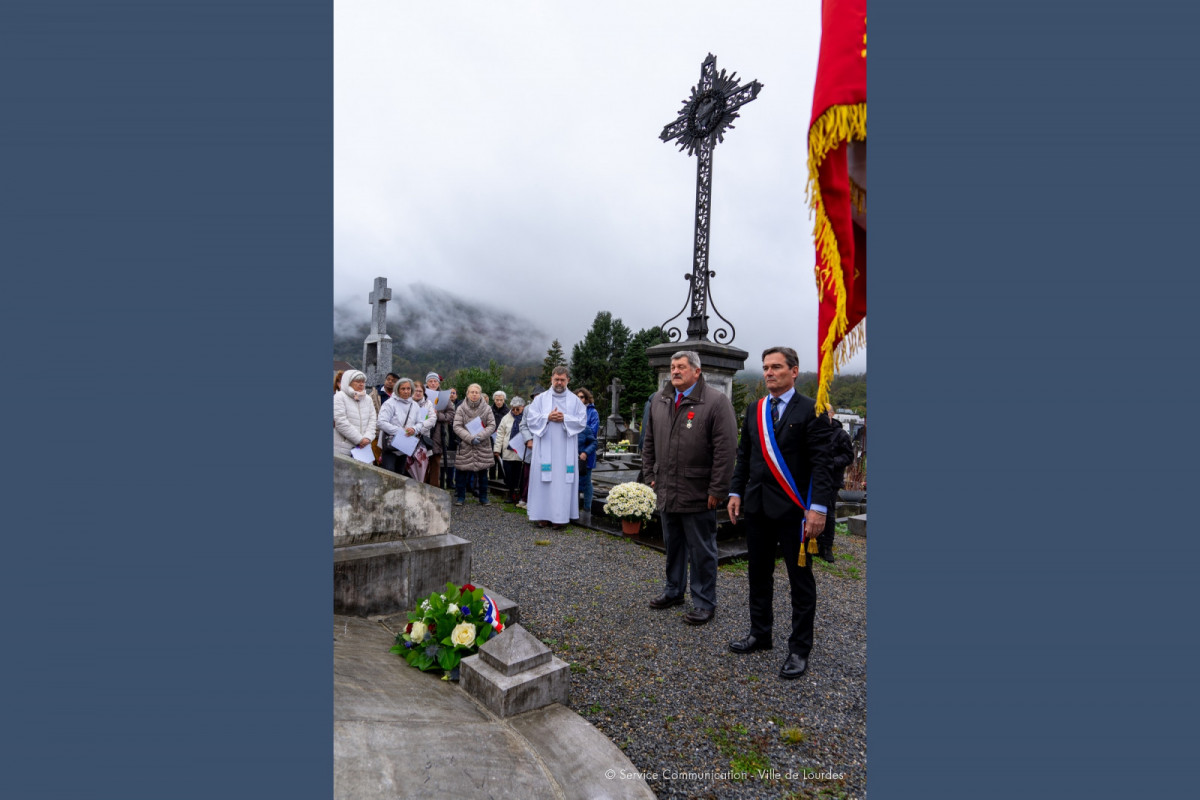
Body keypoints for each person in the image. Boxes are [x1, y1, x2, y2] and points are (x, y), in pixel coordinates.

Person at [727, 347, 834, 680]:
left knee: (800, 582)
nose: (769, 373)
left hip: (795, 512)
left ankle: (799, 649)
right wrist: (735, 491)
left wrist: (818, 509)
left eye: (776, 367)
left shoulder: (811, 411)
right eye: (765, 368)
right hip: (757, 507)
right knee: (758, 574)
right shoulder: (754, 409)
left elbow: (822, 464)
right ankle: (761, 633)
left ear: (794, 371)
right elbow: (744, 455)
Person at [641, 351, 738, 626]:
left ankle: (705, 602)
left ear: (697, 371)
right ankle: (674, 591)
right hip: (667, 488)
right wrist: (650, 474)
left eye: (681, 367)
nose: (675, 371)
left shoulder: (716, 402)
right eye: (673, 367)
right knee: (673, 545)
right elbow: (648, 442)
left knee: (702, 550)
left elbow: (726, 449)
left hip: (698, 491)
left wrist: (718, 489)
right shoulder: (660, 400)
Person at [525, 367, 587, 530]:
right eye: (556, 379)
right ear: (551, 379)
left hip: (565, 449)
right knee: (543, 480)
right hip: (544, 447)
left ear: (568, 380)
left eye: (562, 379)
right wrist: (547, 417)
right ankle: (542, 516)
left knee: (561, 483)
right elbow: (531, 419)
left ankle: (560, 517)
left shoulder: (574, 400)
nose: (559, 382)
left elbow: (582, 421)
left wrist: (565, 418)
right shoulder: (540, 399)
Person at [817, 407, 855, 563]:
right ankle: (814, 543)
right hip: (815, 479)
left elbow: (848, 456)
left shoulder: (841, 434)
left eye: (826, 414)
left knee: (828, 512)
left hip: (831, 480)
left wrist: (831, 463)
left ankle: (827, 547)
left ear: (832, 415)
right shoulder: (816, 432)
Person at [452, 383, 497, 506]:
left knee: (483, 473)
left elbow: (492, 425)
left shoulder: (487, 408)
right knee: (461, 472)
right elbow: (456, 426)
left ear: (480, 394)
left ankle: (483, 498)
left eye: (476, 392)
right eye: (472, 392)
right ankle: (461, 497)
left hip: (482, 445)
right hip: (466, 445)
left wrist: (480, 436)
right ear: (467, 394)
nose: (474, 394)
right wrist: (470, 438)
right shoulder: (461, 408)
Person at [376, 378, 422, 476]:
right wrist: (400, 431)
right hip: (390, 445)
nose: (406, 391)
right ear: (397, 389)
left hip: (405, 445)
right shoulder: (390, 403)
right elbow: (381, 422)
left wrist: (414, 429)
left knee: (400, 473)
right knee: (389, 473)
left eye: (408, 389)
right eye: (403, 389)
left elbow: (420, 423)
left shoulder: (415, 405)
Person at [333, 369, 377, 458]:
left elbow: (373, 420)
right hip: (344, 447)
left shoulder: (367, 399)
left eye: (363, 382)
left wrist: (368, 438)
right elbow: (340, 422)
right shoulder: (339, 397)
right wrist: (359, 440)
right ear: (348, 382)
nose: (361, 384)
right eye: (357, 381)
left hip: (364, 448)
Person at [493, 396, 527, 504]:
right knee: (508, 475)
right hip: (508, 451)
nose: (515, 411)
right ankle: (511, 495)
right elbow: (500, 435)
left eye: (518, 409)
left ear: (523, 408)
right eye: (513, 409)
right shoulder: (506, 418)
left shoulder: (526, 418)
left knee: (519, 476)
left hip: (521, 452)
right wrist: (497, 449)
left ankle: (520, 496)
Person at [423, 372, 451, 488]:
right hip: (423, 432)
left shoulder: (444, 397)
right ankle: (421, 487)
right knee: (422, 463)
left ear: (438, 383)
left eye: (435, 381)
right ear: (427, 383)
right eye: (430, 381)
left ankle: (434, 488)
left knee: (435, 463)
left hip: (439, 435)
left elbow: (451, 415)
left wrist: (438, 415)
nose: (433, 383)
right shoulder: (420, 394)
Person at [576, 388, 601, 515]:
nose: (579, 399)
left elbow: (593, 431)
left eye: (582, 397)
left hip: (586, 452)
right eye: (577, 397)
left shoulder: (592, 412)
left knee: (586, 481)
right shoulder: (573, 410)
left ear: (586, 398)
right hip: (575, 452)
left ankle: (587, 507)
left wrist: (583, 431)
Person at [489, 390, 510, 483]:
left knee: (502, 461)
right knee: (492, 462)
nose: (498, 402)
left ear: (504, 400)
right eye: (497, 400)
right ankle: (492, 481)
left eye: (501, 400)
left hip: (503, 439)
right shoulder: (489, 410)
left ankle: (501, 481)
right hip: (491, 438)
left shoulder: (508, 412)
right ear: (494, 400)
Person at [441, 386, 460, 490]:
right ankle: (442, 481)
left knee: (451, 461)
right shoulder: (442, 405)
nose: (451, 394)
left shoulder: (459, 406)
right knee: (442, 461)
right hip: (444, 434)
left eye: (453, 393)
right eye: (450, 393)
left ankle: (450, 481)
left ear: (456, 395)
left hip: (453, 436)